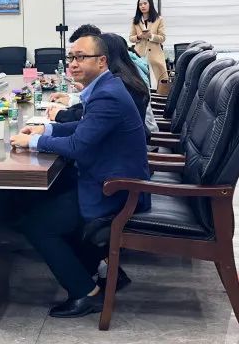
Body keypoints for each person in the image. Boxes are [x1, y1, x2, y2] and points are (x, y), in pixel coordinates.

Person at [9, 33, 150, 318]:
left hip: (115, 189)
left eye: (81, 57)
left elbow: (78, 146)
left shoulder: (107, 95)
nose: (73, 63)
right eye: (71, 57)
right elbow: (84, 128)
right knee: (33, 202)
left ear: (102, 61)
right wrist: (46, 129)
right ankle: (97, 269)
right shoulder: (107, 86)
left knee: (37, 225)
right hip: (106, 178)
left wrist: (33, 142)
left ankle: (86, 293)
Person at [48, 33, 159, 134]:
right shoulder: (126, 75)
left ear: (104, 57)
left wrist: (61, 115)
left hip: (137, 145)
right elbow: (91, 108)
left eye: (81, 56)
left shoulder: (119, 84)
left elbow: (93, 117)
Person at [128, 0, 168, 90]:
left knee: (158, 82)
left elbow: (162, 38)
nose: (142, 6)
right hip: (139, 55)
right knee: (140, 82)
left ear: (150, 4)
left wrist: (151, 36)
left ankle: (159, 97)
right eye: (140, 4)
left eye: (145, 3)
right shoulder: (135, 21)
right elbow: (131, 38)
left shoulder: (159, 19)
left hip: (155, 55)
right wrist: (139, 36)